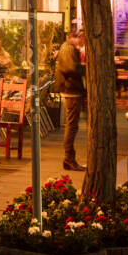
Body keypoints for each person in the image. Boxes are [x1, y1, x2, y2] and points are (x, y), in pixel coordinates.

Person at [54, 31, 86, 171]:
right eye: (82, 41)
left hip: (71, 89)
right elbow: (71, 68)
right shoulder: (69, 48)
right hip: (71, 90)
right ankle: (69, 158)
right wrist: (86, 67)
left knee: (72, 124)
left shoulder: (67, 48)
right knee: (72, 125)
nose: (82, 44)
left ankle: (70, 157)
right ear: (78, 38)